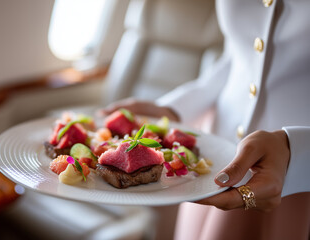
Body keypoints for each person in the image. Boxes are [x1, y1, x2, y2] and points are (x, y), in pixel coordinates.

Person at [101, 0, 310, 239]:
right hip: (215, 161)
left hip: (295, 184)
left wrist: (297, 150)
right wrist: (173, 109)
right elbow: (237, 59)